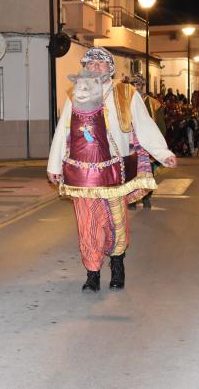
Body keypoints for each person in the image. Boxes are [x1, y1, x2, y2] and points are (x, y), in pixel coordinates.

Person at [47, 47, 177, 293]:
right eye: (91, 63)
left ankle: (117, 265)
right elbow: (63, 130)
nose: (95, 67)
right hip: (82, 174)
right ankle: (92, 272)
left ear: (111, 68)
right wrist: (54, 166)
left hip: (114, 173)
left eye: (101, 63)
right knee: (88, 223)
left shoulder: (126, 93)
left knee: (115, 221)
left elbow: (144, 125)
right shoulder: (75, 94)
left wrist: (163, 153)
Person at [128, 74, 166, 209]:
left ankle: (146, 198)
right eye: (133, 84)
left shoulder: (154, 103)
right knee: (131, 171)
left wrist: (157, 146)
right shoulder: (124, 101)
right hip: (131, 144)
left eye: (138, 84)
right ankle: (132, 199)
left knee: (148, 172)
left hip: (147, 143)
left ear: (142, 85)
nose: (135, 87)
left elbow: (161, 126)